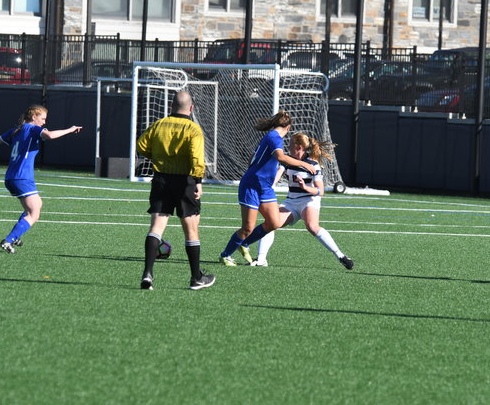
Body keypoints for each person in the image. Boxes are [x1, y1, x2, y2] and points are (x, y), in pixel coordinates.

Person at [136, 91, 215, 290]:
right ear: (191, 108)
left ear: (171, 106)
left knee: (156, 227)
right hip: (185, 181)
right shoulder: (193, 128)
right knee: (191, 230)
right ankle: (196, 278)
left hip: (161, 179)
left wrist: (158, 155)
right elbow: (196, 157)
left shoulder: (159, 124)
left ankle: (147, 274)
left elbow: (141, 146)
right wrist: (198, 180)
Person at [218, 110, 316, 266]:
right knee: (247, 228)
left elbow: (252, 158)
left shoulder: (270, 137)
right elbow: (280, 157)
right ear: (288, 128)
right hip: (252, 186)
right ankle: (225, 255)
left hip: (265, 187)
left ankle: (244, 243)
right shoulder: (274, 137)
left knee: (274, 222)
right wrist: (303, 163)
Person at [245, 132, 353, 269]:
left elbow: (320, 191)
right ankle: (261, 259)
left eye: (290, 144)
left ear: (299, 147)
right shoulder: (287, 161)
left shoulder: (313, 164)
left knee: (312, 227)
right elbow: (276, 177)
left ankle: (341, 256)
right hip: (291, 202)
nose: (288, 147)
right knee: (272, 223)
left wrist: (305, 187)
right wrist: (267, 187)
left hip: (309, 200)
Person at [0, 106, 82, 254]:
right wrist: (70, 130)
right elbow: (50, 135)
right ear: (33, 117)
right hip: (22, 178)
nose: (44, 122)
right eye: (42, 119)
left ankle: (16, 235)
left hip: (11, 177)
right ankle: (9, 240)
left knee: (37, 205)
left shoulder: (16, 130)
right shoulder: (32, 129)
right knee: (34, 214)